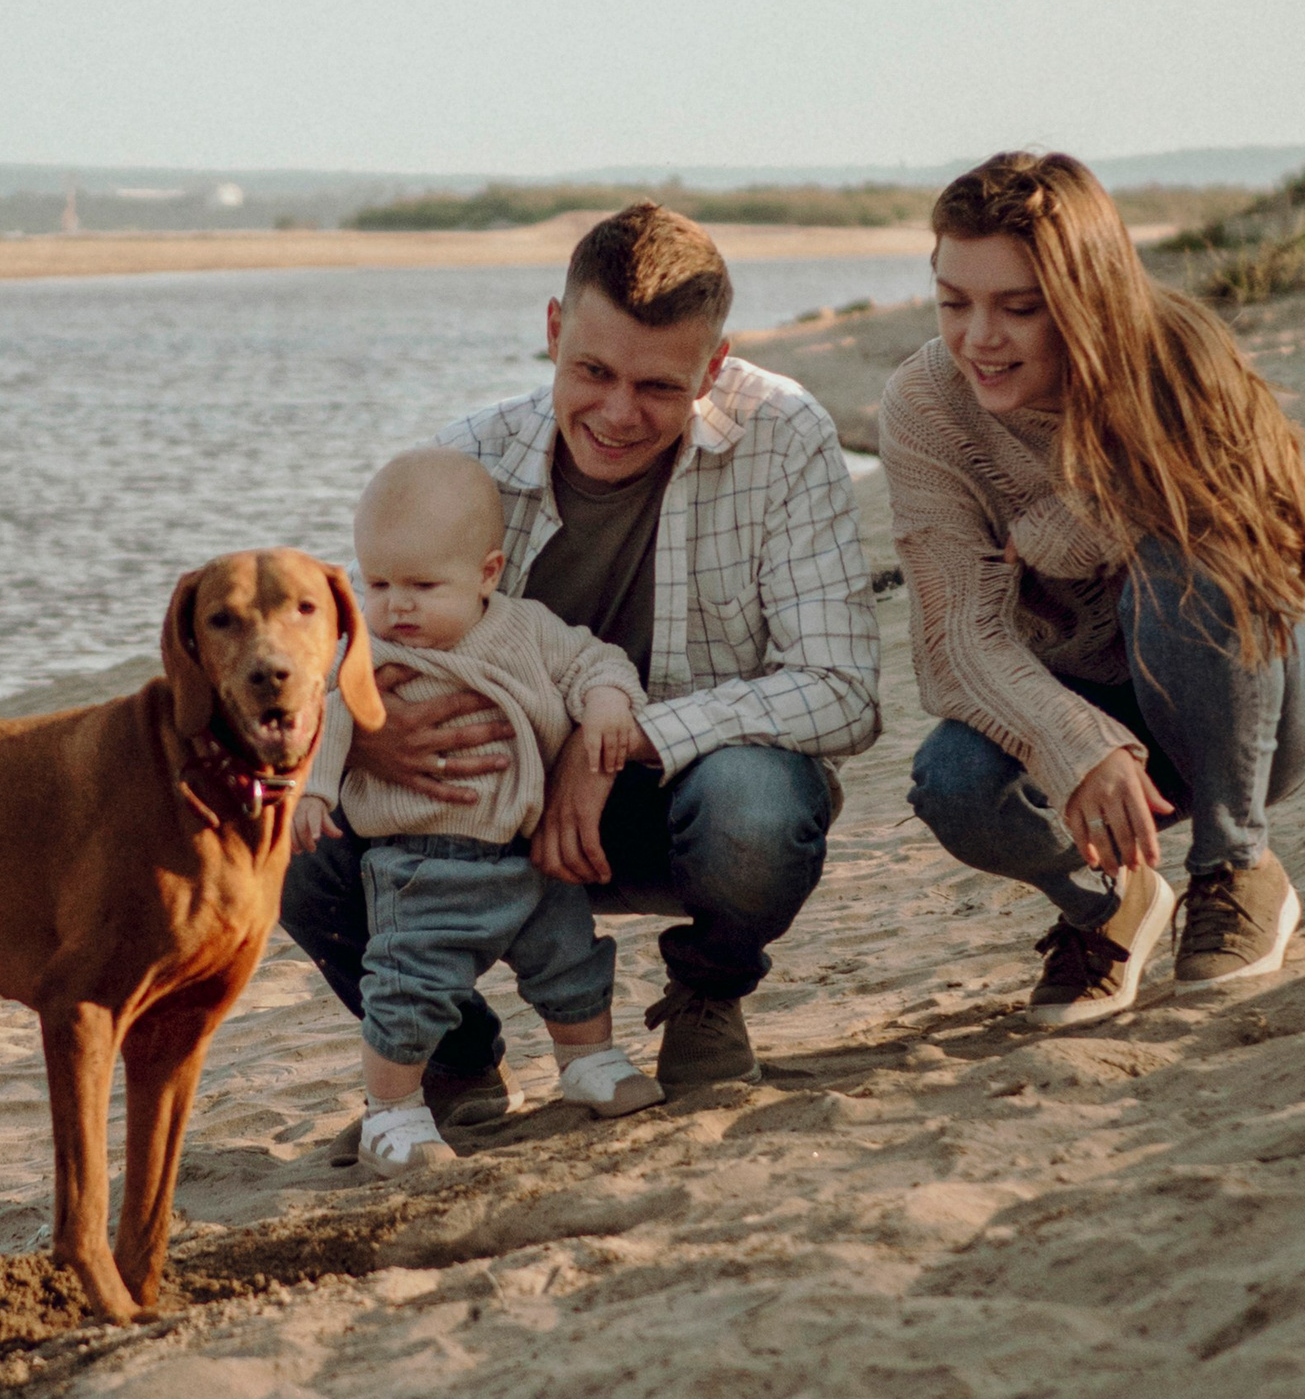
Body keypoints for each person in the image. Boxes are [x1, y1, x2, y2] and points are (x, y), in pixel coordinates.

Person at [282, 202, 881, 1125]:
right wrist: (366, 742)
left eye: (658, 386)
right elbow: (340, 650)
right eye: (592, 371)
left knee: (759, 809)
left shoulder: (784, 435)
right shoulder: (462, 460)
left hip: (683, 803)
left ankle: (706, 996)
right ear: (553, 330)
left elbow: (842, 691)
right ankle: (453, 1051)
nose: (617, 412)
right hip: (474, 812)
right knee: (289, 843)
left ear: (713, 367)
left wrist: (612, 745)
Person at [882, 149, 1305, 1028]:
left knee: (1186, 563)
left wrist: (1056, 532)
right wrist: (1076, 742)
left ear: (1086, 296)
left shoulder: (1176, 356)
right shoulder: (922, 408)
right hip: (1099, 711)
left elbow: (1267, 561)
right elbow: (956, 646)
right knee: (951, 778)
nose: (979, 337)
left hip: (1266, 690)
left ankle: (1235, 866)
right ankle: (1111, 905)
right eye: (955, 303)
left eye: (1018, 307)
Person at [296, 449, 665, 1178]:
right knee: (406, 985)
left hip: (530, 856)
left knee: (571, 961)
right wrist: (314, 788)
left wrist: (606, 704)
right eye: (378, 584)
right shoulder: (369, 652)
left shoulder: (528, 629)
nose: (398, 605)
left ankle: (587, 1058)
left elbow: (597, 660)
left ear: (488, 573)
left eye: (423, 585)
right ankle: (392, 1112)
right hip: (420, 866)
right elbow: (328, 716)